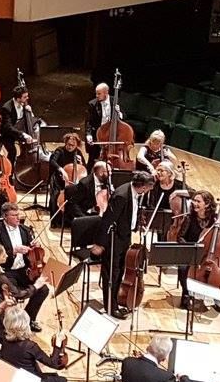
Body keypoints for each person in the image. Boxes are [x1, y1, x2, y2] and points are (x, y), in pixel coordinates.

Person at [94, 170, 154, 318]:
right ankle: (110, 306)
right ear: (143, 187)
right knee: (112, 274)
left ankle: (114, 301)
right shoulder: (122, 195)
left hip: (124, 237)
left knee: (119, 271)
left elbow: (129, 214)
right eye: (148, 189)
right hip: (114, 240)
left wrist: (137, 223)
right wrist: (100, 244)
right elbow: (107, 220)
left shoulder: (134, 193)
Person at [0, 203, 49, 329]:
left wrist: (34, 246)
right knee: (12, 295)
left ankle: (28, 319)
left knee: (43, 290)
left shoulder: (25, 230)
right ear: (5, 217)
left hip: (25, 270)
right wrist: (14, 251)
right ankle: (10, 324)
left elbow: (31, 252)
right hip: (7, 271)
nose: (17, 218)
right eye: (14, 215)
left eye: (18, 214)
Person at [175, 190, 220, 312]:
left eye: (198, 201)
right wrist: (192, 247)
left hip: (211, 255)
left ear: (207, 204)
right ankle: (186, 295)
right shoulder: (189, 218)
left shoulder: (215, 219)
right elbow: (180, 237)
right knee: (182, 268)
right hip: (192, 253)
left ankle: (218, 298)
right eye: (194, 200)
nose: (194, 203)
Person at [48, 133, 87, 227]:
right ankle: (55, 221)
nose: (70, 147)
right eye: (68, 144)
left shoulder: (78, 152)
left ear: (76, 145)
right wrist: (61, 169)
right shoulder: (60, 151)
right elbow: (52, 161)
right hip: (59, 179)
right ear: (65, 143)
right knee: (55, 196)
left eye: (72, 145)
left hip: (73, 181)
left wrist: (81, 162)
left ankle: (70, 221)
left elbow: (84, 168)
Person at [0, 85, 38, 167]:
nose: (27, 98)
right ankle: (10, 171)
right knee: (13, 152)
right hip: (8, 133)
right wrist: (23, 135)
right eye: (25, 97)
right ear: (18, 98)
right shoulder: (7, 108)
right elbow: (8, 127)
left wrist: (30, 112)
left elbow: (30, 120)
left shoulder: (24, 103)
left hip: (20, 129)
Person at [65, 160, 111, 225]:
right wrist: (83, 219)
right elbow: (73, 204)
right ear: (100, 173)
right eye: (108, 171)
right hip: (86, 213)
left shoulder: (107, 181)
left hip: (100, 213)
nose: (111, 173)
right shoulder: (85, 184)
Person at [85, 83, 121, 164]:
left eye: (99, 93)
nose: (97, 95)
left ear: (106, 92)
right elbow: (88, 122)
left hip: (113, 135)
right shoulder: (92, 104)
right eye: (96, 93)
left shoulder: (115, 101)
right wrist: (88, 134)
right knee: (93, 159)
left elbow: (124, 117)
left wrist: (119, 112)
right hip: (98, 134)